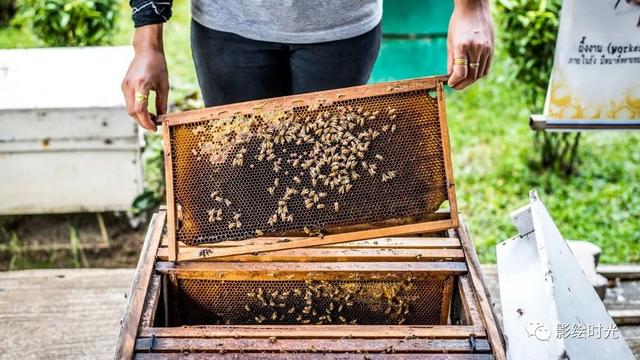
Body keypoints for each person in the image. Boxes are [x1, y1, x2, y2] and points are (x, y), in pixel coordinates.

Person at [122, 1, 494, 131]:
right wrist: (146, 42)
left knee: (324, 184)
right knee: (242, 181)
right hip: (227, 28)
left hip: (343, 28)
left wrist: (472, 6)